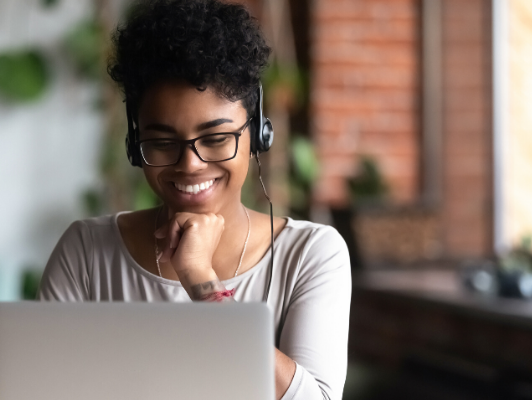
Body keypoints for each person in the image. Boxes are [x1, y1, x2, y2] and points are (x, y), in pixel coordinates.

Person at [37, 0, 351, 398]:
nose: (190, 164)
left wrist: (201, 279)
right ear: (136, 145)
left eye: (217, 139)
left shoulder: (311, 253)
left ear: (256, 134)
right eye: (163, 142)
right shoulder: (86, 251)